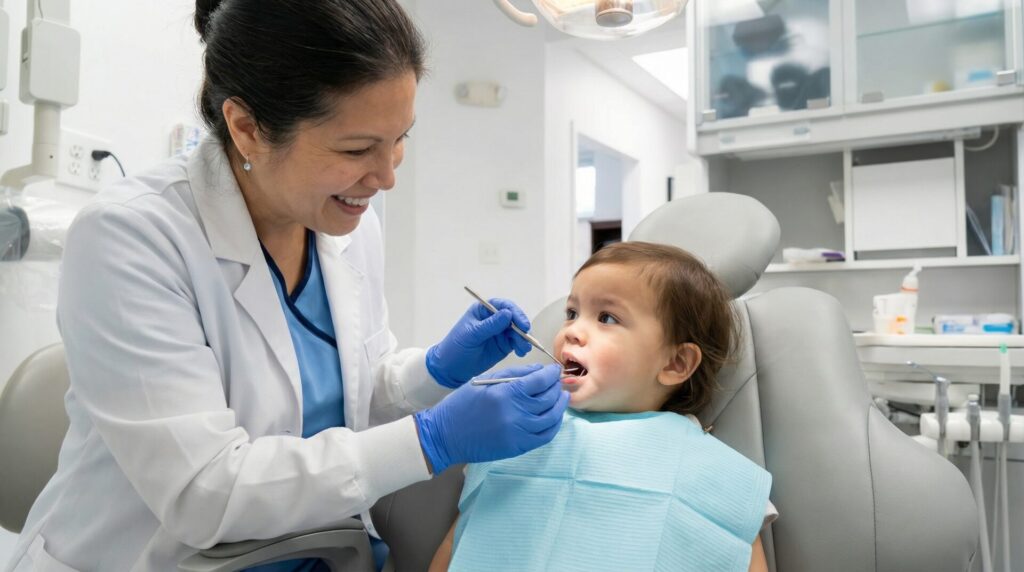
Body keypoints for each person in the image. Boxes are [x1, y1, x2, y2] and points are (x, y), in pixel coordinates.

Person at [4, 2, 569, 571]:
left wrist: (437, 371)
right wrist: (431, 440)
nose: (388, 176)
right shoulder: (132, 237)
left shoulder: (347, 224)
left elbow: (345, 398)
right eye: (356, 150)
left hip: (320, 551)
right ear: (247, 128)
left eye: (400, 138)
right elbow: (205, 493)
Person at [429, 242, 777, 572]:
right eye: (572, 312)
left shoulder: (715, 471)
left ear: (676, 363)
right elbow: (458, 547)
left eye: (607, 318)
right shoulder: (515, 434)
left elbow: (734, 543)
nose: (573, 331)